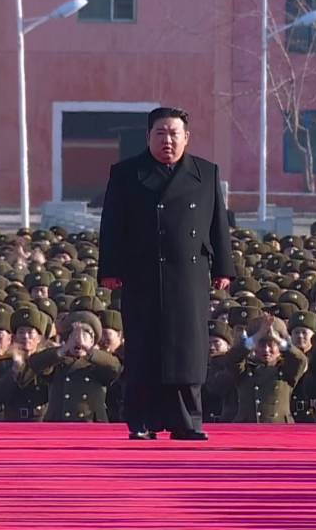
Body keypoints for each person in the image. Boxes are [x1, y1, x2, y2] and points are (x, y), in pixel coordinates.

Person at [99, 106, 235, 441]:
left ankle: (187, 421)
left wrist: (224, 268)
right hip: (142, 273)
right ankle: (141, 421)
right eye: (160, 133)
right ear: (148, 137)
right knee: (145, 347)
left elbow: (218, 225)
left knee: (187, 349)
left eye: (174, 134)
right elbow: (112, 226)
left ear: (186, 138)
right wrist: (110, 269)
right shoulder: (126, 173)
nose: (168, 141)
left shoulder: (206, 173)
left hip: (189, 276)